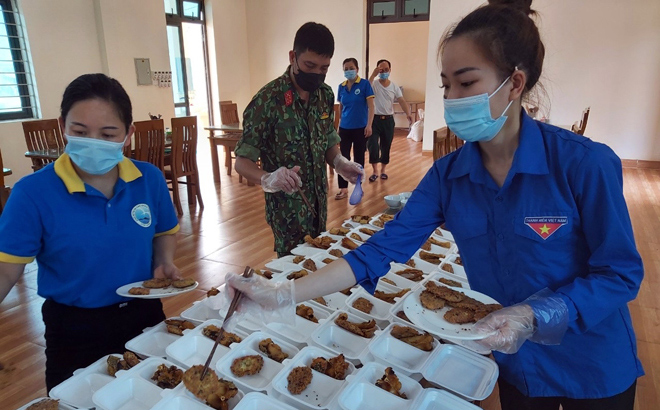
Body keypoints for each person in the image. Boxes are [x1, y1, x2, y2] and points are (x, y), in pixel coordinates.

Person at [224, 1, 644, 409]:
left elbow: (621, 273)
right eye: (446, 84)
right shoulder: (449, 176)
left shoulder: (582, 164)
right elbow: (380, 250)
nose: (452, 97)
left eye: (466, 83)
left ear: (514, 84)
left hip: (593, 366)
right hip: (519, 367)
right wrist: (283, 293)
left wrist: (538, 315)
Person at [0, 73, 181, 391]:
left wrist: (163, 260)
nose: (93, 143)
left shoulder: (148, 179)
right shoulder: (32, 193)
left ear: (128, 133)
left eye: (108, 134)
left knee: (155, 394)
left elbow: (165, 230)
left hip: (144, 316)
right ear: (62, 127)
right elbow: (5, 272)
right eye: (80, 132)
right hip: (74, 328)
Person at [235, 22, 364, 256]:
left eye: (324, 68)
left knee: (318, 264)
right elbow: (242, 162)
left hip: (319, 203)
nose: (316, 74)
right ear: (293, 56)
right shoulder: (267, 101)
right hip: (287, 210)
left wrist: (340, 162)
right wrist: (268, 178)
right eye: (309, 65)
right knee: (293, 273)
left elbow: (326, 139)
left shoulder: (324, 95)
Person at [366, 59, 414, 182]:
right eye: (381, 70)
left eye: (386, 69)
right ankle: (375, 171)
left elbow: (402, 100)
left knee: (386, 145)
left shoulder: (394, 86)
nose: (384, 72)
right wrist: (373, 74)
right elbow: (365, 88)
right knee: (372, 145)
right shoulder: (374, 84)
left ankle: (383, 170)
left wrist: (408, 113)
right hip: (373, 119)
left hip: (388, 120)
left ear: (390, 70)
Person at [334, 58, 375, 200]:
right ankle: (343, 188)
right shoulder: (341, 86)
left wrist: (369, 124)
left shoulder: (364, 85)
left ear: (357, 69)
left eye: (351, 68)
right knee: (342, 158)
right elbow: (340, 107)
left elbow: (371, 106)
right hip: (345, 128)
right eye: (345, 68)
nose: (348, 71)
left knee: (358, 158)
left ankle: (358, 187)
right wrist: (337, 126)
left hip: (360, 128)